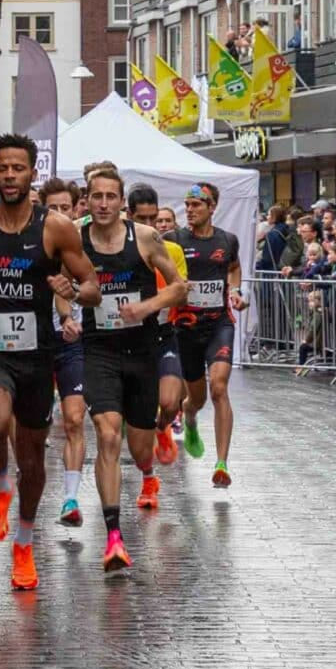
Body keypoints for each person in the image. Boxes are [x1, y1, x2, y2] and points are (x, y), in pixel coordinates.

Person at [0, 135, 100, 592]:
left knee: (33, 459)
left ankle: (25, 542)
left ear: (33, 173)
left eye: (18, 168)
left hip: (37, 353)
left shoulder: (57, 229)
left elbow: (92, 285)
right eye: (3, 168)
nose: (10, 176)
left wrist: (73, 292)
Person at [78, 170, 186, 571]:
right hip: (98, 351)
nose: (103, 203)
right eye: (96, 196)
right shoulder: (74, 237)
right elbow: (51, 278)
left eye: (111, 196)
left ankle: (148, 465)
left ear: (121, 201)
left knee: (140, 448)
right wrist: (63, 305)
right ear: (86, 201)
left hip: (142, 351)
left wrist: (144, 308)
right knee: (107, 435)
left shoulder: (143, 237)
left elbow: (178, 287)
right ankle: (113, 535)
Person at [169, 182, 247, 488]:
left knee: (218, 387)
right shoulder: (173, 239)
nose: (190, 210)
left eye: (197, 205)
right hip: (186, 328)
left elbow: (234, 267)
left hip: (218, 324)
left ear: (212, 207)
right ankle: (189, 418)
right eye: (187, 204)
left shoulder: (227, 240)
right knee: (195, 399)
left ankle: (222, 463)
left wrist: (237, 290)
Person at [126, 183, 189, 470]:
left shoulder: (171, 249)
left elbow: (181, 289)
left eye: (155, 218)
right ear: (129, 216)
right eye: (143, 219)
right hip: (129, 341)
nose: (151, 225)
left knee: (171, 403)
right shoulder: (119, 247)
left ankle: (164, 426)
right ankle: (148, 478)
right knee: (135, 416)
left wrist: (151, 305)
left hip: (163, 334)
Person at [38, 179, 88, 525]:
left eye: (64, 208)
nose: (58, 215)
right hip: (35, 344)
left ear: (75, 209)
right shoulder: (30, 244)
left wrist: (72, 315)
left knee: (74, 420)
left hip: (74, 344)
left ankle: (70, 498)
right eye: (51, 208)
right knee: (30, 429)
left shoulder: (84, 247)